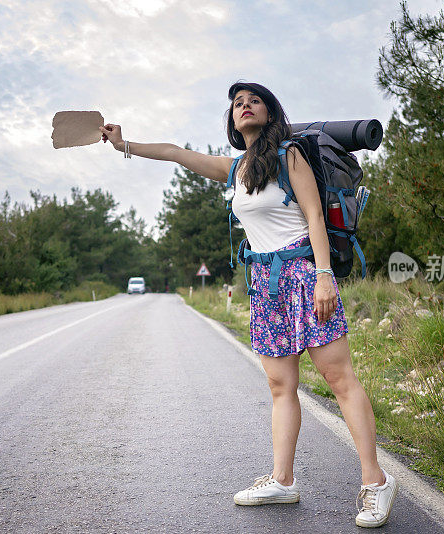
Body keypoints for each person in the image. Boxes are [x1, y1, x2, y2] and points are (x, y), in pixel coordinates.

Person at [98, 81, 397, 528]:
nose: (244, 106)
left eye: (253, 100)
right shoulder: (235, 167)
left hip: (302, 275)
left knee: (339, 378)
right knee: (280, 387)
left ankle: (376, 483)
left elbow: (314, 216)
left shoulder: (289, 155)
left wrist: (323, 276)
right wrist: (124, 144)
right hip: (265, 284)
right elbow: (177, 153)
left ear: (269, 112)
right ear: (232, 121)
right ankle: (283, 480)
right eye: (238, 103)